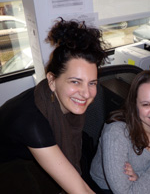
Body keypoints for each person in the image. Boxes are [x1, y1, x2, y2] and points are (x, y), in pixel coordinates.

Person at [0, 18, 108, 194]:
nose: (86, 93)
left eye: (92, 83)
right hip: (8, 168)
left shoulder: (65, 102)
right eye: (75, 81)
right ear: (52, 80)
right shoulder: (32, 122)